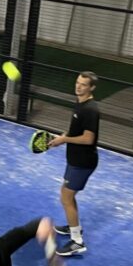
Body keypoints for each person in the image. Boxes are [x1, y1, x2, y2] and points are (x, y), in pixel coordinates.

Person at [46, 71, 100, 256]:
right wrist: (62, 137)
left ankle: (77, 242)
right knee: (67, 195)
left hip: (83, 162)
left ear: (92, 88)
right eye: (78, 82)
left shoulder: (90, 109)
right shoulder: (80, 102)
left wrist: (64, 140)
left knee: (66, 197)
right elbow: (76, 131)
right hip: (75, 159)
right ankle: (73, 226)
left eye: (83, 84)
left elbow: (88, 138)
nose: (78, 86)